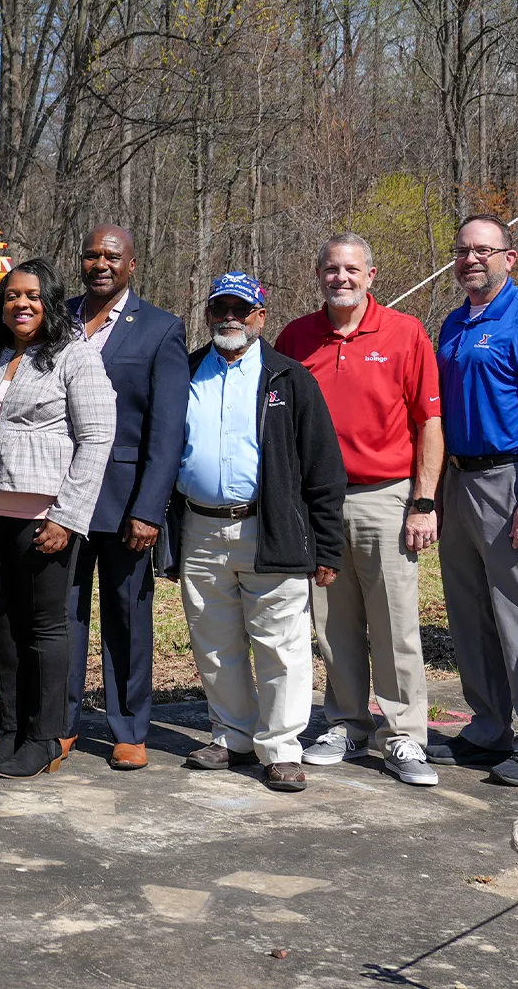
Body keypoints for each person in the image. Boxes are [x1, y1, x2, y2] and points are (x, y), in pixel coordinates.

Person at [274, 234, 443, 787]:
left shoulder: (404, 333)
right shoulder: (296, 338)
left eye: (351, 269)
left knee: (394, 622)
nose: (340, 278)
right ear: (317, 274)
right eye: (331, 269)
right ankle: (347, 721)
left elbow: (429, 422)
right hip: (315, 502)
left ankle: (403, 735)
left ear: (371, 275)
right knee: (332, 623)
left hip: (385, 495)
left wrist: (423, 502)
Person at [168, 272, 345, 793]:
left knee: (280, 645)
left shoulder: (290, 378)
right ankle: (233, 736)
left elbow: (323, 471)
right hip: (200, 525)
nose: (230, 318)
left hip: (270, 529)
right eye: (220, 308)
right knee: (214, 641)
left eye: (241, 310)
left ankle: (281, 748)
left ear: (261, 317)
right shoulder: (185, 372)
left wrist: (327, 547)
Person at [0, 260, 116, 779]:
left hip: (44, 517)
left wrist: (67, 516)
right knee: (0, 626)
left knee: (44, 628)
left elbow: (95, 440)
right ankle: (11, 730)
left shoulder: (75, 357)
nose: (21, 305)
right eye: (12, 296)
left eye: (33, 296)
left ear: (50, 302)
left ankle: (45, 737)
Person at [430, 215, 518, 788]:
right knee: (470, 615)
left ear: (509, 258)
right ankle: (488, 729)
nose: (472, 260)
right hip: (458, 481)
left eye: (484, 250)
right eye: (463, 251)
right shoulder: (452, 322)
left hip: (510, 479)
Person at [62, 224, 188, 771]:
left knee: (127, 616)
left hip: (124, 501)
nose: (100, 264)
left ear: (132, 264)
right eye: (91, 255)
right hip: (59, 497)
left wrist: (148, 509)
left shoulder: (160, 329)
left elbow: (167, 430)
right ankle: (58, 723)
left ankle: (129, 728)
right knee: (60, 615)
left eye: (112, 256)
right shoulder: (54, 316)